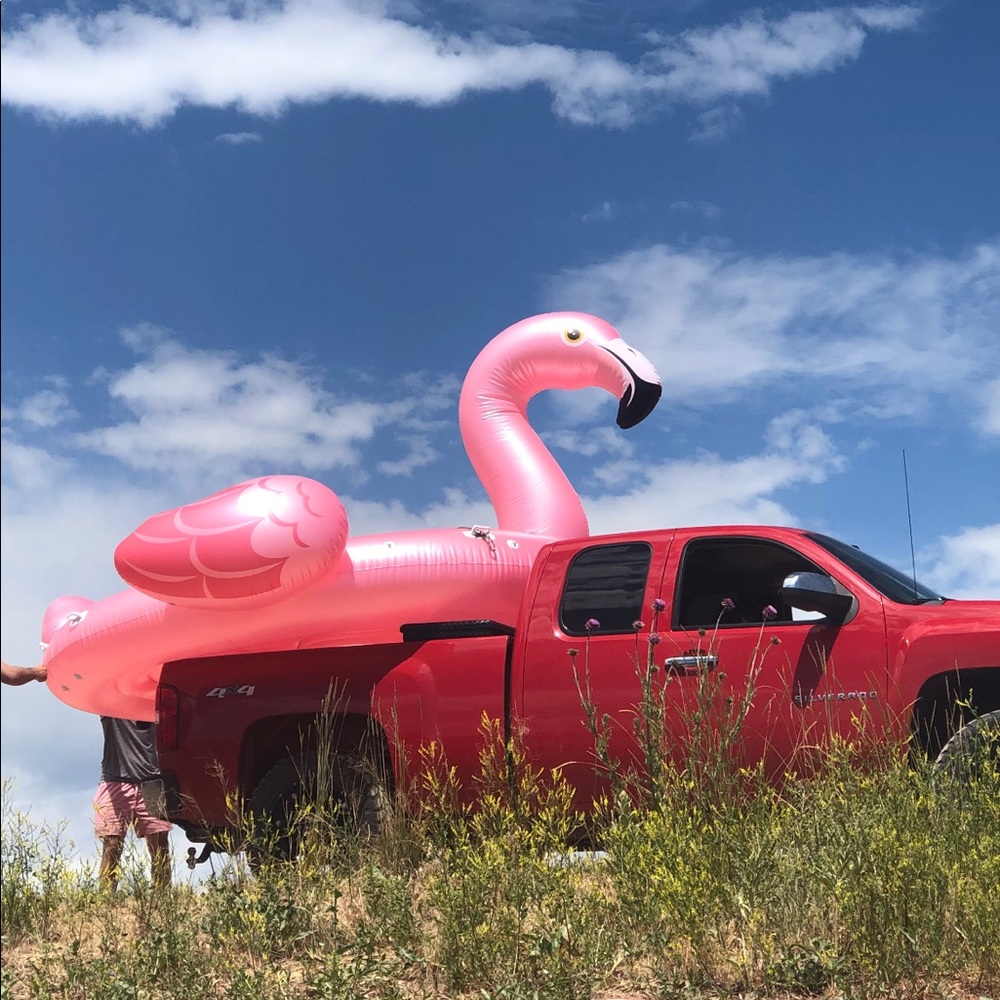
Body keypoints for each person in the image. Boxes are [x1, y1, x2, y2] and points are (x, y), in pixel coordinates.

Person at [94, 716, 173, 890]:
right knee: (112, 843)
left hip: (152, 780)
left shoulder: (152, 704)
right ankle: (106, 899)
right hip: (116, 780)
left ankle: (163, 899)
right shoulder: (111, 707)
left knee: (160, 844)